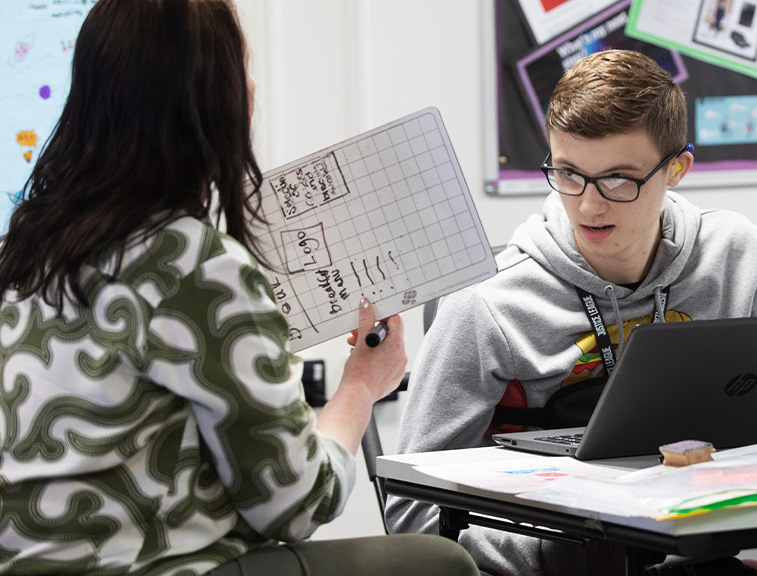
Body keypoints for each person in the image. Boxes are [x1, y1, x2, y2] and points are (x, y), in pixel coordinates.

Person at [0, 1, 479, 575]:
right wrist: (361, 387)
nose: (254, 85)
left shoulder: (23, 249)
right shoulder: (195, 264)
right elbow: (299, 505)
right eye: (245, 66)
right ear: (220, 100)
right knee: (440, 561)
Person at [386, 50, 757, 575]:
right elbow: (412, 511)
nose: (589, 205)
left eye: (620, 179)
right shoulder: (490, 303)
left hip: (694, 551)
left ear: (677, 169)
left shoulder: (739, 256)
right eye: (569, 174)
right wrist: (570, 551)